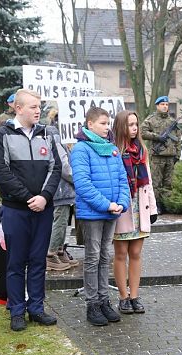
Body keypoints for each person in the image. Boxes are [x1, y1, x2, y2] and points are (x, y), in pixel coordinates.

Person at [0, 88, 62, 332]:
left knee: (38, 260)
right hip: (15, 210)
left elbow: (56, 168)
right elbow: (0, 171)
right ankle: (17, 310)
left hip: (43, 209)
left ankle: (36, 309)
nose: (38, 110)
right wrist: (29, 198)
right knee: (16, 262)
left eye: (39, 106)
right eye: (33, 106)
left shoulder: (47, 134)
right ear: (18, 108)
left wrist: (44, 197)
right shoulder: (1, 135)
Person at [71, 107, 130, 326]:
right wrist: (107, 205)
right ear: (90, 124)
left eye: (108, 123)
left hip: (111, 212)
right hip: (93, 213)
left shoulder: (112, 149)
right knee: (93, 256)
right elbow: (83, 185)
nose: (108, 127)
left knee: (106, 256)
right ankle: (92, 303)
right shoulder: (81, 149)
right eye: (103, 123)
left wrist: (122, 203)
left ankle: (104, 300)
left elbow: (123, 179)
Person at [112, 110, 158, 314]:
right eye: (130, 124)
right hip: (123, 206)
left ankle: (135, 295)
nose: (134, 128)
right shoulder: (113, 151)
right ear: (121, 126)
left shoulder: (142, 150)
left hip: (141, 205)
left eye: (136, 124)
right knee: (121, 253)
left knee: (136, 253)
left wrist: (153, 207)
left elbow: (148, 181)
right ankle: (123, 297)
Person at [45, 116, 79, 272]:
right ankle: (50, 254)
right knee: (60, 220)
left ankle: (59, 250)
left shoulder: (59, 136)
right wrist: (78, 179)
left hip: (64, 188)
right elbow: (64, 165)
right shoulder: (55, 136)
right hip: (60, 187)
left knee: (64, 221)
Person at [141, 96, 181, 214]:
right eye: (162, 104)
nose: (165, 106)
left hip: (170, 156)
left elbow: (178, 139)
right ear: (157, 106)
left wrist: (177, 154)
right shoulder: (151, 120)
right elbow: (142, 132)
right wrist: (157, 137)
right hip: (157, 157)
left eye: (167, 104)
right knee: (156, 183)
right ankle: (156, 206)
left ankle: (166, 205)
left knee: (168, 183)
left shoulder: (172, 121)